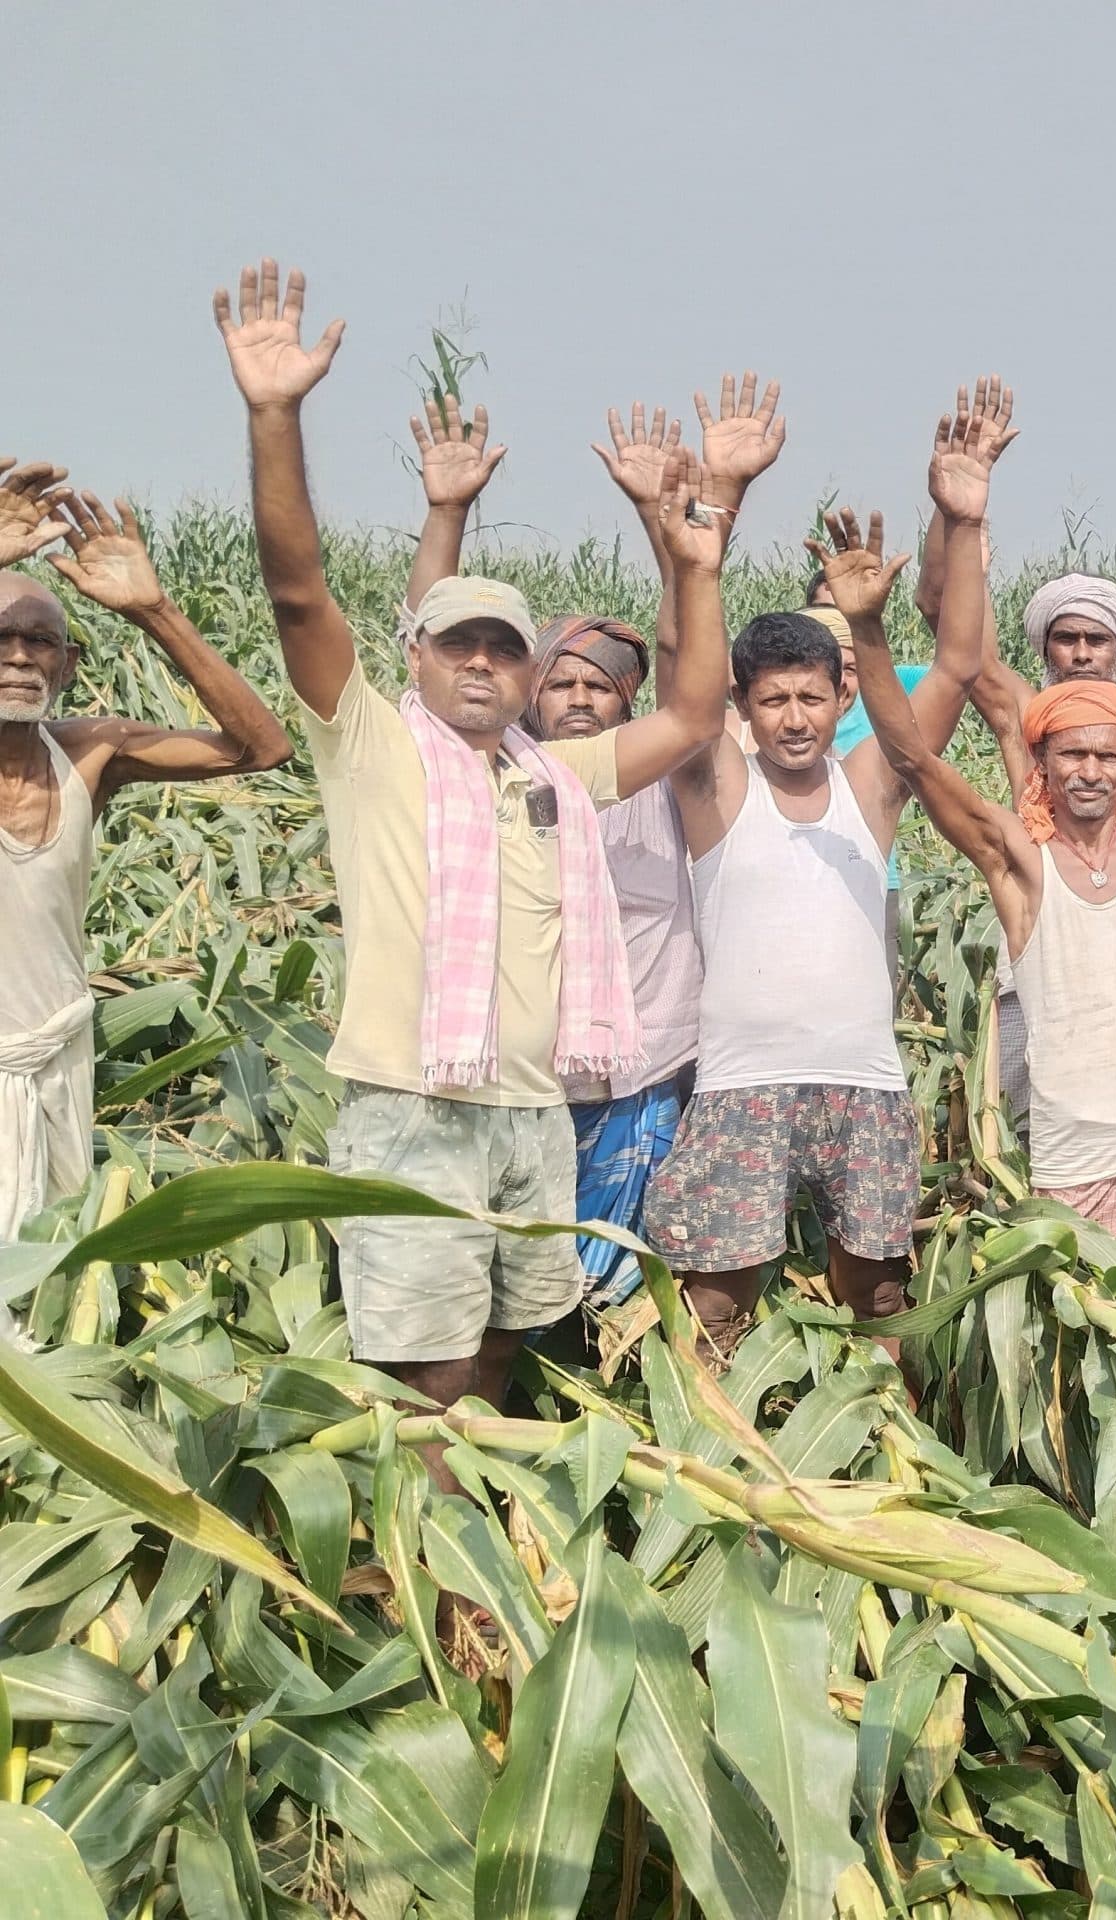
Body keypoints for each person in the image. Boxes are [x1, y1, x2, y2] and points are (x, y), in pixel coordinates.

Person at [217, 259, 731, 1439]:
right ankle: (429, 1579)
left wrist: (693, 568)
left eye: (507, 650)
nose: (484, 664)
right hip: (416, 1108)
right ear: (423, 658)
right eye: (460, 646)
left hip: (534, 1110)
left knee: (508, 1335)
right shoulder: (376, 754)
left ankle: (459, 1533)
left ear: (531, 674)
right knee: (428, 1365)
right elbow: (300, 597)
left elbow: (695, 712)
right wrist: (275, 414)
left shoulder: (552, 775)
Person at [642, 404, 998, 1356]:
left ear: (842, 697)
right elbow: (681, 666)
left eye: (811, 697)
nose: (795, 718)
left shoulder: (870, 790)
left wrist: (961, 520)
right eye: (772, 701)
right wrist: (722, 502)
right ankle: (716, 1462)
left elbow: (960, 662)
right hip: (743, 1081)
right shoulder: (718, 789)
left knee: (879, 1300)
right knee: (715, 1305)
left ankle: (886, 1465)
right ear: (744, 710)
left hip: (862, 1081)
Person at [862, 477, 1116, 1242]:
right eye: (1070, 754)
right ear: (1039, 761)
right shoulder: (1019, 858)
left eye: (1106, 756)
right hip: (1073, 1150)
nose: (1089, 770)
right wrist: (866, 629)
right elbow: (914, 758)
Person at [406, 399, 712, 1309]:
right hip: (522, 1078)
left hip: (643, 1070)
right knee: (512, 1292)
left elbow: (687, 667)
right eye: (561, 681)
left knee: (612, 1288)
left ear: (627, 703)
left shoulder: (660, 781)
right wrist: (446, 514)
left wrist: (664, 531)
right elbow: (422, 649)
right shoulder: (493, 778)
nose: (579, 699)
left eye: (599, 686)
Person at [0, 487, 292, 1241]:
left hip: (54, 1056)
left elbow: (261, 747)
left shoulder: (93, 752)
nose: (20, 656)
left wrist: (152, 610)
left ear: (66, 665)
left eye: (39, 641)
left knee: (42, 1271)